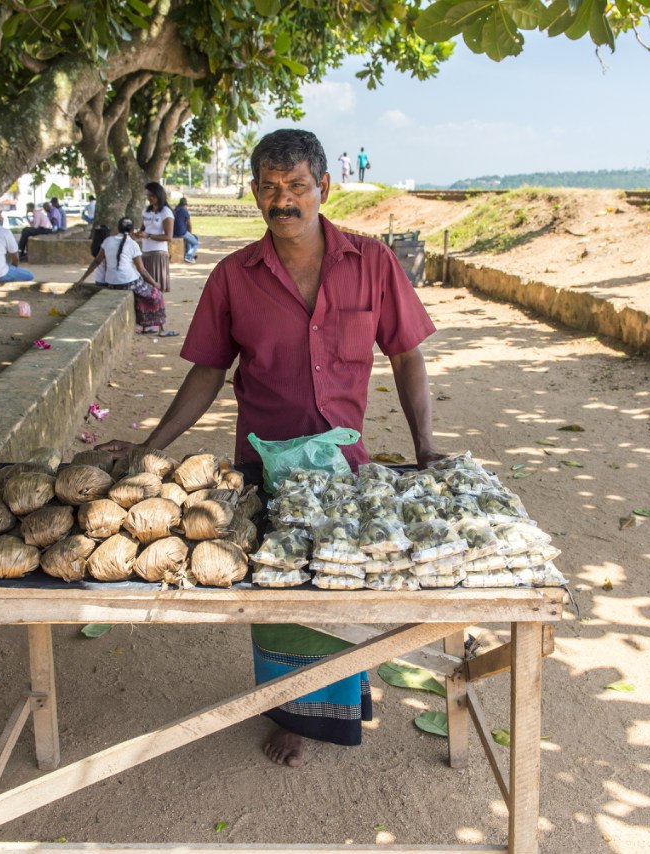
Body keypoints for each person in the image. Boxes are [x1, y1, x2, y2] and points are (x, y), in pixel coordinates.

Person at [98, 129, 442, 767]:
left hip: (343, 467)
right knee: (279, 592)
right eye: (269, 187)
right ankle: (291, 708)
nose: (282, 201)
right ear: (255, 191)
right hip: (264, 465)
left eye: (296, 187)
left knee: (341, 582)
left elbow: (406, 354)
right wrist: (149, 446)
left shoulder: (372, 262)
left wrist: (426, 448)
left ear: (323, 188)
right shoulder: (234, 277)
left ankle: (338, 699)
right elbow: (206, 370)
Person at [75, 217, 177, 336]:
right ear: (132, 230)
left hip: (111, 283)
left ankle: (145, 328)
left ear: (118, 228)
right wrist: (155, 284)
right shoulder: (132, 244)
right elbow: (142, 270)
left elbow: (96, 262)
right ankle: (162, 330)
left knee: (141, 295)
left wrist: (81, 279)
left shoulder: (108, 241)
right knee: (157, 295)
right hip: (129, 282)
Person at [136, 181, 173, 293]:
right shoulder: (146, 211)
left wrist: (149, 236)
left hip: (158, 253)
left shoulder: (166, 212)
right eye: (148, 196)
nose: (149, 198)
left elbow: (169, 236)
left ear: (158, 195)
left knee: (156, 287)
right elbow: (144, 228)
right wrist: (138, 233)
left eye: (152, 196)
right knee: (146, 285)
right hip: (146, 251)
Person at [173, 197, 199, 263]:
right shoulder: (184, 211)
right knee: (196, 243)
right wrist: (190, 232)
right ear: (185, 205)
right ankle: (189, 256)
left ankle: (189, 254)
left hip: (174, 232)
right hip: (181, 232)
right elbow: (189, 225)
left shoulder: (176, 210)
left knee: (190, 239)